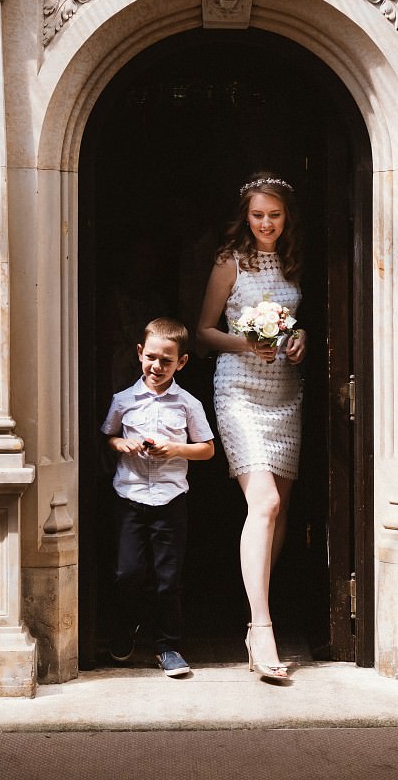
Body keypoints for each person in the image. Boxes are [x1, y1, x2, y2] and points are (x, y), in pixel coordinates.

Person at [196, 174, 307, 681]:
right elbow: (203, 331)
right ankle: (261, 627)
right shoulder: (229, 261)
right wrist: (247, 344)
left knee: (279, 511)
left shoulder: (290, 260)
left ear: (286, 218)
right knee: (263, 503)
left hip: (284, 391)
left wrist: (299, 334)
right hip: (239, 389)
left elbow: (293, 318)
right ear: (247, 215)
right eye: (258, 215)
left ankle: (255, 610)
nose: (266, 223)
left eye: (275, 215)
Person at [101, 317, 216, 678]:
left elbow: (208, 449)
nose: (157, 366)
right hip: (130, 496)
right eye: (151, 357)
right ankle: (126, 627)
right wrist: (122, 443)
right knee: (127, 572)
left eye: (167, 360)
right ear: (140, 354)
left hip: (170, 500)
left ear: (181, 362)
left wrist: (175, 449)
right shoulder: (123, 400)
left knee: (168, 578)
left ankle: (168, 645)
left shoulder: (188, 403)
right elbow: (109, 436)